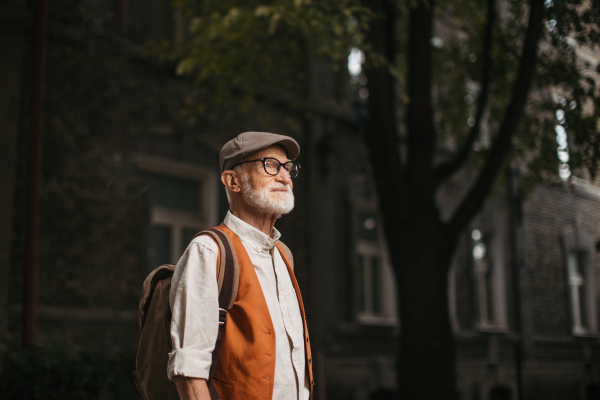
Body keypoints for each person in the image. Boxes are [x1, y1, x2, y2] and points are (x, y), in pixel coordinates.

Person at [168, 131, 313, 400]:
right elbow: (189, 370)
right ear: (233, 181)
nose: (284, 177)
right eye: (270, 165)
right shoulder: (209, 250)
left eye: (288, 168)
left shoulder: (284, 254)